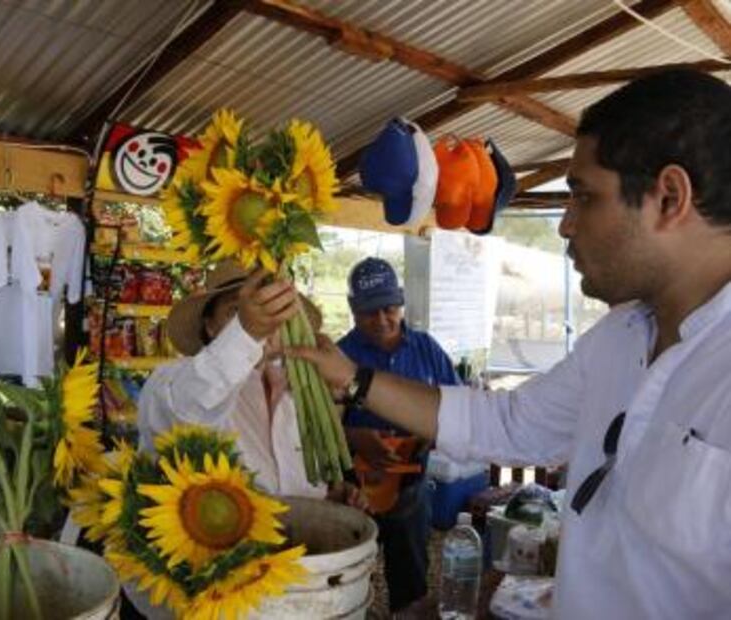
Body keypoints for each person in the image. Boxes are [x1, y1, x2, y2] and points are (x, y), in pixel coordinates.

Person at [290, 70, 731, 619]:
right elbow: (505, 423)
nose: (565, 225)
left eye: (584, 197)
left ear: (669, 197)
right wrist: (353, 377)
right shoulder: (620, 337)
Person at [139, 259, 360, 504]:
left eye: (273, 307)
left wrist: (333, 494)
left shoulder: (302, 390)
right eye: (236, 311)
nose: (263, 321)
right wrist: (246, 332)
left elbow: (304, 483)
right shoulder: (172, 379)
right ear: (210, 326)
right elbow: (187, 408)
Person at [338, 257, 459, 616]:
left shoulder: (427, 349)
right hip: (352, 488)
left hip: (411, 485)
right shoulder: (340, 355)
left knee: (411, 583)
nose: (381, 321)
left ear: (401, 303)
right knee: (348, 579)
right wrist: (354, 436)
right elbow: (311, 427)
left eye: (389, 309)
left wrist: (424, 436)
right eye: (369, 312)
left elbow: (455, 406)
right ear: (352, 310)